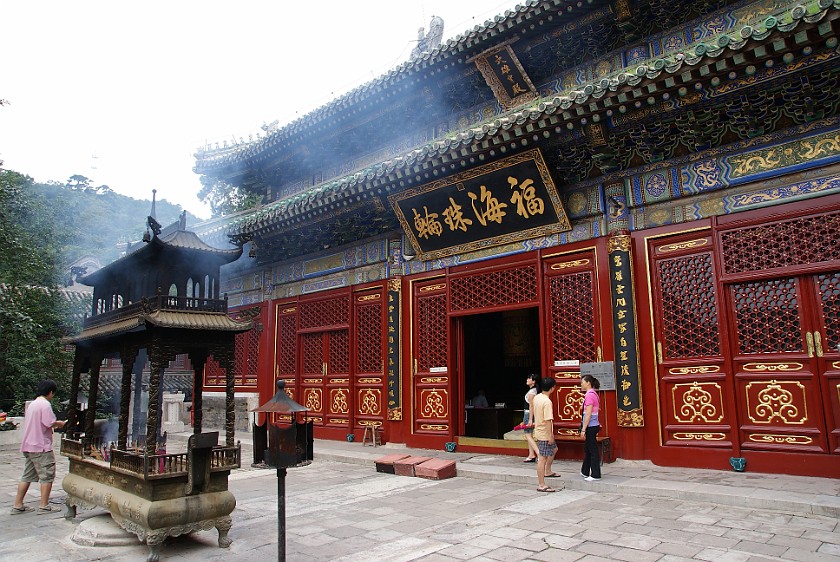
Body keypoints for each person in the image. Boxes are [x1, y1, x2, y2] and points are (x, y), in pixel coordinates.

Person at [11, 379, 66, 514]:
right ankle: (44, 505)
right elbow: (49, 423)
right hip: (40, 446)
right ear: (50, 392)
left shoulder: (33, 404)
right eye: (53, 394)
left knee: (27, 475)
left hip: (29, 444)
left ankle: (17, 505)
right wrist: (61, 424)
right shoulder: (45, 405)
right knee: (47, 475)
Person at [532, 376, 560, 492]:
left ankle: (548, 471)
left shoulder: (537, 397)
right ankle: (541, 484)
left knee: (554, 450)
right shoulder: (547, 402)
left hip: (539, 429)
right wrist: (550, 436)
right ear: (552, 388)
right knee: (542, 458)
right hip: (544, 433)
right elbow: (548, 420)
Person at [579, 374, 602, 481]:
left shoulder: (589, 395)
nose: (581, 384)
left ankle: (595, 474)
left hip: (591, 426)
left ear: (588, 382)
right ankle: (585, 471)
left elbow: (588, 414)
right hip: (593, 424)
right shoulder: (593, 394)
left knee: (592, 450)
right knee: (588, 449)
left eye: (582, 382)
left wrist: (583, 429)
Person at [522, 374, 539, 463]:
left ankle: (538, 453)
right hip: (530, 414)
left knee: (527, 435)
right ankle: (531, 454)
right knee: (530, 434)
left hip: (528, 414)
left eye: (529, 378)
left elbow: (531, 406)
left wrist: (530, 419)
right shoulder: (534, 391)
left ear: (533, 381)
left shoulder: (532, 392)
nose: (527, 379)